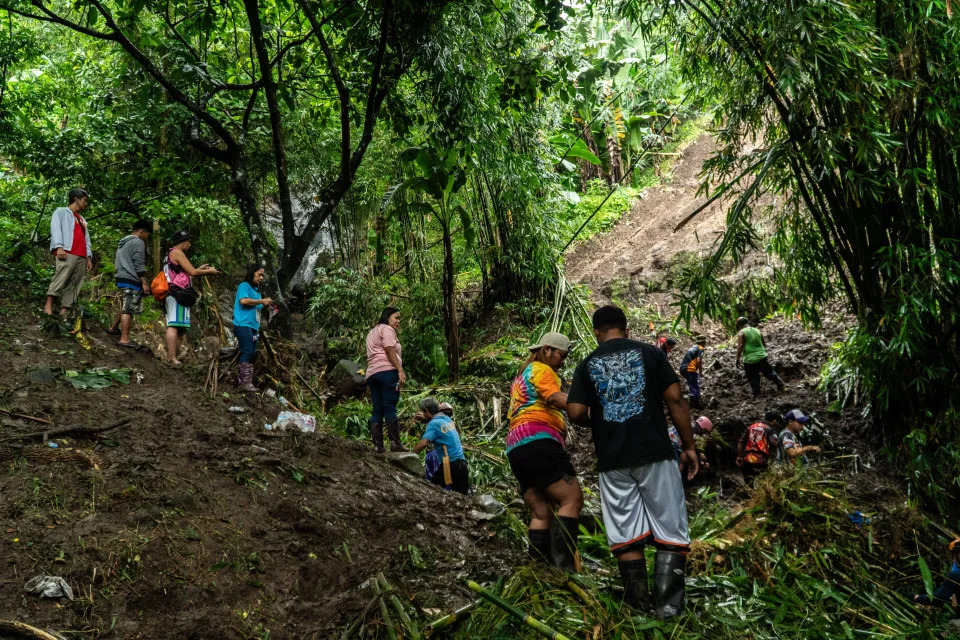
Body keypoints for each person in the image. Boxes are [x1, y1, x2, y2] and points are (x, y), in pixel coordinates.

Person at [567, 305, 698, 618]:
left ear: (597, 332)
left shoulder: (587, 364)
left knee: (626, 535)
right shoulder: (651, 354)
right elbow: (675, 399)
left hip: (613, 461)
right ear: (625, 329)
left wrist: (599, 419)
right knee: (670, 527)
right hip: (654, 453)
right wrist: (690, 446)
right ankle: (668, 610)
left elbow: (574, 412)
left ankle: (637, 608)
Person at [506, 331, 583, 573]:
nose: (563, 361)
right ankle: (564, 571)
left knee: (541, 511)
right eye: (562, 354)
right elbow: (553, 397)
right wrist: (585, 406)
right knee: (571, 497)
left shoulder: (521, 377)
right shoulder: (541, 369)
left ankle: (539, 572)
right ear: (547, 350)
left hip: (516, 446)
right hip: (538, 440)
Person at [163, 231, 219, 365]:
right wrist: (209, 272)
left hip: (179, 293)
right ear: (183, 241)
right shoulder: (177, 252)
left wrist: (200, 269)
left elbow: (186, 274)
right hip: (177, 293)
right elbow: (192, 272)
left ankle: (173, 357)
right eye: (188, 241)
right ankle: (171, 357)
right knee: (174, 325)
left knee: (181, 328)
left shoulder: (171, 254)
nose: (190, 244)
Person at [44, 188, 92, 317]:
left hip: (81, 255)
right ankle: (48, 306)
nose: (85, 203)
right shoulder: (61, 212)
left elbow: (86, 239)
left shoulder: (81, 219)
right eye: (84, 200)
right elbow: (55, 229)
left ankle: (64, 310)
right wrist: (59, 246)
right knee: (61, 277)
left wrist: (88, 257)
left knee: (75, 283)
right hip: (67, 251)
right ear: (76, 199)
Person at [365, 307, 407, 453]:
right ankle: (395, 443)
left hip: (372, 374)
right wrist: (400, 370)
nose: (398, 321)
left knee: (377, 409)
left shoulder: (372, 332)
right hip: (387, 372)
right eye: (396, 317)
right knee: (390, 406)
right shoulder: (387, 330)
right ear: (387, 317)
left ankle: (378, 446)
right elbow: (389, 349)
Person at [106, 219, 151, 347]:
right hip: (131, 277)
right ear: (142, 231)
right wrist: (144, 282)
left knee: (127, 304)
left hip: (121, 276)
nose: (147, 237)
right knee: (128, 309)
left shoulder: (124, 241)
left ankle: (113, 327)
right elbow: (139, 263)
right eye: (147, 234)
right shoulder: (138, 242)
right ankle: (124, 339)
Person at [413, 397, 469, 495]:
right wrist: (425, 418)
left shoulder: (433, 424)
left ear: (426, 411)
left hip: (450, 465)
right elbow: (439, 426)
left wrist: (410, 454)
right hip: (462, 464)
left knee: (433, 490)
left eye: (423, 412)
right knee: (463, 498)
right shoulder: (447, 419)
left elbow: (424, 443)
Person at [233, 264, 273, 392]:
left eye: (263, 276)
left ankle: (247, 381)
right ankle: (243, 383)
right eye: (259, 275)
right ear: (252, 274)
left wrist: (266, 304)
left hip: (253, 327)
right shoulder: (244, 286)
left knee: (252, 353)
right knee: (247, 351)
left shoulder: (257, 292)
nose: (261, 278)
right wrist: (261, 301)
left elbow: (257, 308)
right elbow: (243, 301)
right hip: (242, 324)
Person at [735, 317, 785, 396]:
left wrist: (737, 359)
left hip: (750, 359)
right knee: (768, 371)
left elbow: (740, 346)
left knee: (753, 375)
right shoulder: (757, 330)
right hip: (762, 356)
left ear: (739, 325)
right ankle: (779, 383)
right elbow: (764, 344)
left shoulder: (741, 333)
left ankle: (756, 392)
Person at [912, 539, 960, 608]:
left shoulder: (955, 575)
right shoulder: (956, 570)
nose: (953, 559)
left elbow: (937, 599)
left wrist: (916, 597)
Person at [737, 411, 781, 482]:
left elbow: (741, 442)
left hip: (747, 459)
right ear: (774, 421)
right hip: (760, 461)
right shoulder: (769, 429)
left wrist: (739, 456)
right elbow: (774, 443)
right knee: (760, 483)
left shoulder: (751, 427)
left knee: (748, 483)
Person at [679, 336, 706, 409]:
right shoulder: (701, 348)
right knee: (695, 387)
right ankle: (695, 407)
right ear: (703, 342)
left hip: (683, 369)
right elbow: (699, 361)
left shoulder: (693, 347)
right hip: (689, 369)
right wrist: (700, 372)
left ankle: (693, 405)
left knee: (692, 386)